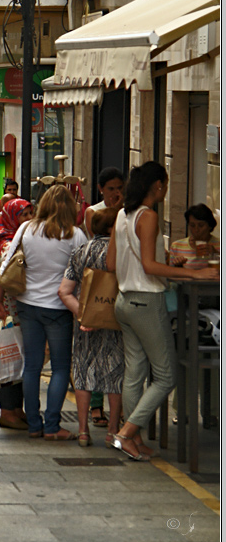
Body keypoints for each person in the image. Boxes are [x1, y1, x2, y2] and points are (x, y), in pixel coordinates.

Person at [106, 162, 217, 460]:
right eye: (165, 184)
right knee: (167, 376)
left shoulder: (121, 214)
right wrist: (195, 275)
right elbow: (149, 267)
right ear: (157, 185)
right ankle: (127, 433)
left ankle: (136, 439)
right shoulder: (149, 216)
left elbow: (111, 264)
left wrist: (168, 264)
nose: (166, 189)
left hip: (124, 301)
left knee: (135, 372)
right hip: (146, 301)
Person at [0, 185, 87, 440]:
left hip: (28, 305)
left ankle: (34, 424)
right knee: (59, 367)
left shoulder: (26, 229)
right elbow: (85, 272)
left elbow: (6, 264)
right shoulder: (76, 235)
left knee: (32, 366)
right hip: (59, 308)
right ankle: (53, 425)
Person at [57, 207, 124, 448]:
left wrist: (84, 316)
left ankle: (84, 431)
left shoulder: (79, 252)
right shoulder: (121, 253)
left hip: (85, 323)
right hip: (117, 321)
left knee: (84, 373)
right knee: (116, 374)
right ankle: (113, 431)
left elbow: (64, 291)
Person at [0, 198, 33, 430]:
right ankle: (8, 412)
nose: (30, 219)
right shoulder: (9, 244)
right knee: (11, 359)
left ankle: (16, 409)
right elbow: (4, 276)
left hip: (16, 307)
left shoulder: (15, 240)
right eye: (24, 215)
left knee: (18, 359)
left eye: (31, 214)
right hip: (10, 309)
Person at [169, 203, 220, 269]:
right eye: (192, 225)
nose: (196, 229)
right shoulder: (177, 246)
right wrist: (178, 266)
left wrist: (215, 253)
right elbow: (171, 274)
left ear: (210, 226)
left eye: (201, 225)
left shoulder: (220, 244)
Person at [84, 167, 124, 238]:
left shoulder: (128, 210)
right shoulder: (92, 211)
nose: (116, 193)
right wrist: (114, 211)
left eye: (119, 188)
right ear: (100, 188)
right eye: (111, 189)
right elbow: (98, 238)